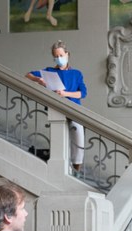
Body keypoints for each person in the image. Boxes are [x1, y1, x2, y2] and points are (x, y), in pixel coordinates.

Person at [26, 40, 87, 172]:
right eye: (56, 56)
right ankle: (63, 170)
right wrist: (39, 80)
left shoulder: (77, 73)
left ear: (67, 54)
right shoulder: (49, 72)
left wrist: (65, 93)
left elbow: (82, 93)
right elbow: (28, 74)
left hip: (74, 108)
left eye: (61, 55)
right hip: (56, 109)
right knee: (60, 140)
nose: (59, 59)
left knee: (78, 137)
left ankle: (77, 168)